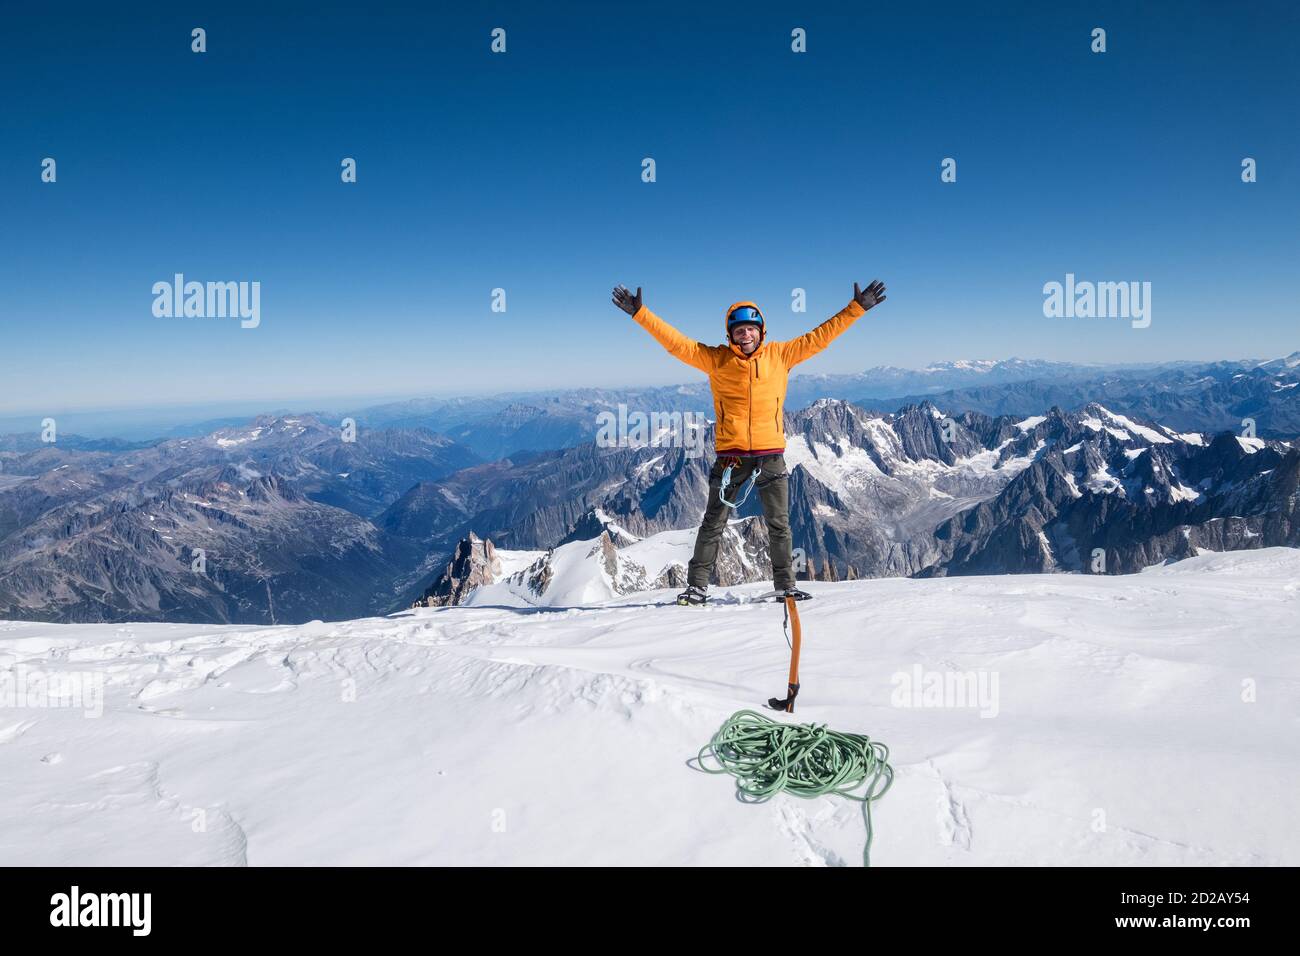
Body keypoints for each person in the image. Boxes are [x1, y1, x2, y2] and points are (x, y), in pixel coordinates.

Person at [611, 281, 887, 605]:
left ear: (761, 331)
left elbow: (820, 337)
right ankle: (697, 587)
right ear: (730, 334)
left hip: (770, 454)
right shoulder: (716, 360)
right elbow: (677, 344)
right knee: (714, 521)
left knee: (778, 524)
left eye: (751, 330)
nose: (746, 336)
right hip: (732, 457)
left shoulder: (782, 355)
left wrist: (857, 308)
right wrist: (640, 314)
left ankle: (785, 585)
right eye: (740, 331)